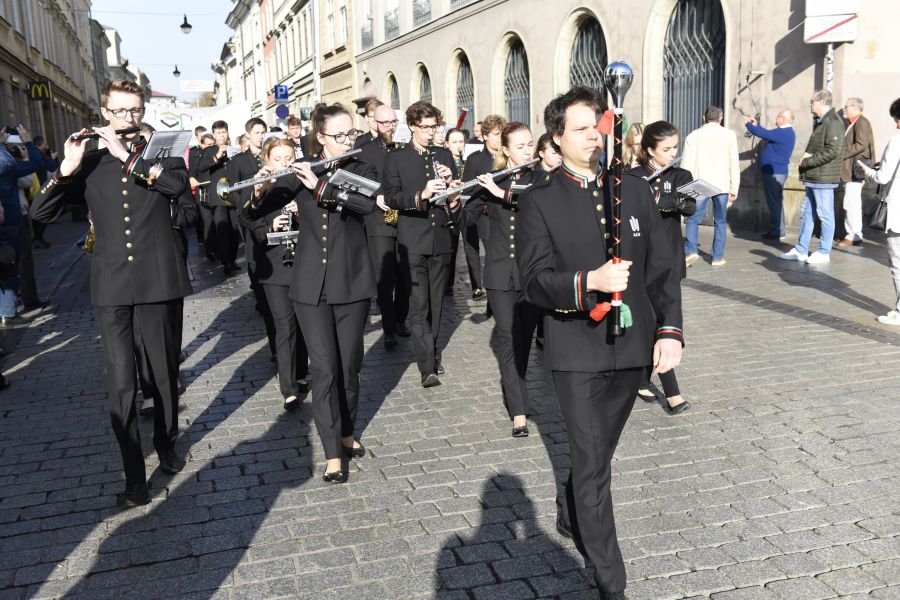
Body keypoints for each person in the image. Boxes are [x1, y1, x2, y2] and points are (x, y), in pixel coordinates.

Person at [516, 86, 683, 600]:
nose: (593, 136)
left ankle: (572, 511)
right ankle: (612, 583)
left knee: (597, 455)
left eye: (598, 126)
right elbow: (533, 281)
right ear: (557, 137)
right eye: (581, 128)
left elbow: (662, 268)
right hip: (576, 349)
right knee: (592, 465)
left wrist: (670, 330)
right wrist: (588, 281)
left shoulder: (633, 189)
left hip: (633, 347)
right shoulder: (539, 199)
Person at [31, 79, 192, 508]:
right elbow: (39, 213)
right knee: (121, 383)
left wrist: (128, 157)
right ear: (105, 113)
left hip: (159, 280)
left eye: (134, 110)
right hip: (111, 284)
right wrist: (66, 168)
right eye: (119, 111)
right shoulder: (88, 160)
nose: (127, 118)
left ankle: (166, 442)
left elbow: (177, 190)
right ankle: (135, 477)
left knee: (163, 375)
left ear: (143, 111)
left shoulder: (162, 153)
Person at [254, 104, 376, 483]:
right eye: (339, 135)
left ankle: (347, 431)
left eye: (351, 133)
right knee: (324, 369)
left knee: (349, 367)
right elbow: (252, 215)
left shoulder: (362, 168)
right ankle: (332, 453)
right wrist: (259, 191)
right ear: (320, 137)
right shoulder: (300, 168)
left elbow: (364, 205)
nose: (348, 140)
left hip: (351, 283)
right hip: (309, 286)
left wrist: (318, 186)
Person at [467, 122, 542, 437]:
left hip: (530, 273)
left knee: (524, 341)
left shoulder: (540, 180)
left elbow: (540, 208)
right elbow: (467, 215)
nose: (527, 150)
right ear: (506, 150)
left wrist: (502, 195)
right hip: (499, 273)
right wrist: (455, 200)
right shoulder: (492, 179)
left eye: (530, 144)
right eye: (520, 146)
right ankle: (519, 411)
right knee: (509, 340)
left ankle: (516, 390)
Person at [384, 100, 462, 387]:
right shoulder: (397, 158)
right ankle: (427, 366)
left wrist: (452, 185)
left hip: (441, 238)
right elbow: (391, 197)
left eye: (434, 127)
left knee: (436, 305)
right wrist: (423, 194)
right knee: (418, 305)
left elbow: (455, 199)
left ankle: (433, 352)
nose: (431, 132)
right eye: (426, 127)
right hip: (412, 240)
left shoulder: (444, 154)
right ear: (412, 126)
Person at [243, 138, 310, 410]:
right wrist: (269, 224)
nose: (284, 164)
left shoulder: (303, 182)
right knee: (285, 325)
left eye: (289, 158)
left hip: (304, 262)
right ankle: (289, 388)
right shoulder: (259, 187)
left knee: (304, 322)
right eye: (278, 159)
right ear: (266, 161)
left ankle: (301, 372)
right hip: (274, 265)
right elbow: (247, 219)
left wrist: (301, 212)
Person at [630, 121, 692, 415]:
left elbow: (689, 206)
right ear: (649, 149)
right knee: (650, 320)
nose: (672, 153)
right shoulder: (634, 177)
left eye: (675, 148)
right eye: (666, 149)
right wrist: (667, 201)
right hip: (641, 258)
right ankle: (671, 391)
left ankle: (644, 379)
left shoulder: (681, 175)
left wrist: (663, 200)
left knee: (664, 317)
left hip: (670, 257)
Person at [357, 103, 410, 348]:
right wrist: (376, 194)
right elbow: (360, 180)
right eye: (385, 123)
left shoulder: (404, 146)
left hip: (405, 217)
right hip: (379, 220)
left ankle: (400, 319)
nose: (390, 127)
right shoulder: (365, 150)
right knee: (385, 277)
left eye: (393, 122)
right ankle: (389, 328)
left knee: (406, 276)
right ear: (374, 123)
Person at [780, 90, 844, 264]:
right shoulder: (822, 121)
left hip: (824, 177)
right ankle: (801, 249)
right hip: (814, 176)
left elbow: (833, 150)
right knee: (807, 214)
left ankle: (824, 251)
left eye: (812, 101)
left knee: (825, 215)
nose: (810, 104)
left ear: (821, 102)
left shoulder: (833, 122)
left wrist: (807, 162)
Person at [858, 98, 900, 325]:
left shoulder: (897, 140)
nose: (896, 124)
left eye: (896, 119)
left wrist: (867, 170)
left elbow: (883, 177)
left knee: (898, 262)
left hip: (898, 212)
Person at [682, 106, 740, 267]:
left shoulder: (693, 136)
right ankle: (717, 257)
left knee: (692, 219)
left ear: (704, 118)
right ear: (720, 118)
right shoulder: (729, 135)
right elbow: (734, 162)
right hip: (721, 183)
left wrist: (685, 187)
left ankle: (691, 251)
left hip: (699, 182)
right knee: (720, 220)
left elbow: (686, 163)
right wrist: (734, 187)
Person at [0, 125, 43, 328]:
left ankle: (7, 312)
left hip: (9, 221)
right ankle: (7, 313)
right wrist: (27, 142)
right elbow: (37, 164)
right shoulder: (5, 163)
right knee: (9, 266)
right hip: (8, 223)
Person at [464, 114, 507, 300]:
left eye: (502, 134)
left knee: (497, 257)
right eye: (496, 134)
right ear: (486, 135)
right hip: (481, 215)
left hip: (501, 214)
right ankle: (478, 287)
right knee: (479, 252)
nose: (500, 138)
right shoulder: (475, 159)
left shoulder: (507, 157)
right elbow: (467, 189)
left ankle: (495, 298)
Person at [744, 109, 796, 239]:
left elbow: (764, 134)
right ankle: (778, 229)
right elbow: (767, 133)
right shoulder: (783, 132)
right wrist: (756, 125)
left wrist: (749, 124)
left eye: (778, 116)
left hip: (775, 172)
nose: (776, 118)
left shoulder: (784, 132)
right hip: (776, 171)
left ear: (784, 119)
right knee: (776, 202)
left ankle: (777, 230)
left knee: (774, 202)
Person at [198, 120, 240, 273]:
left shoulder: (234, 149)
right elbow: (201, 167)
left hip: (233, 193)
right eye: (218, 133)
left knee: (234, 229)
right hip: (218, 195)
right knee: (222, 229)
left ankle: (233, 259)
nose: (222, 135)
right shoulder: (209, 151)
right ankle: (225, 261)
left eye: (224, 132)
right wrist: (217, 155)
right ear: (214, 135)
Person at [838, 97, 876, 247]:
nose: (844, 109)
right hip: (852, 169)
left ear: (854, 107)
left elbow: (861, 144)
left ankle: (853, 235)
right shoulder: (854, 122)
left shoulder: (861, 122)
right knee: (851, 202)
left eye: (846, 106)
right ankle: (854, 234)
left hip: (855, 169)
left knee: (851, 203)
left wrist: (841, 154)